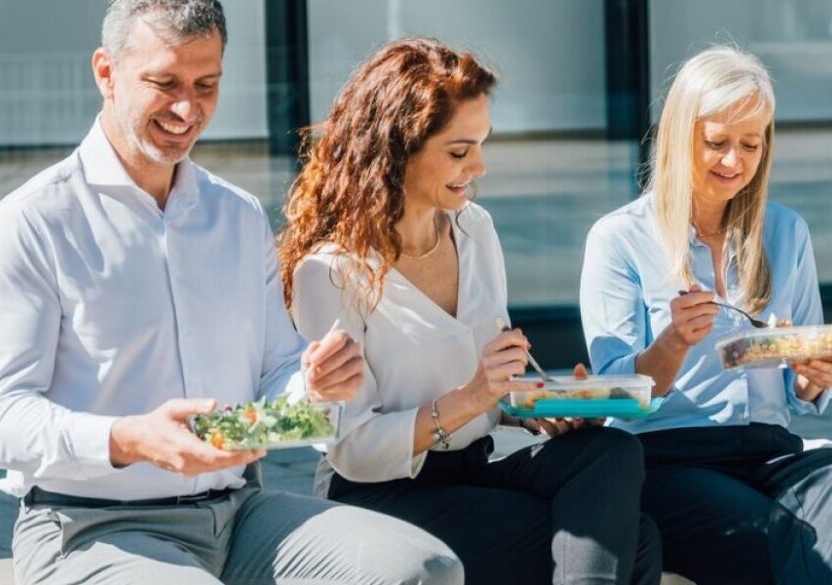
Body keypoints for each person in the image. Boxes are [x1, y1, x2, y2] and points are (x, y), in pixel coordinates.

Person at [0, 2, 462, 584]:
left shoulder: (238, 217)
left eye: (206, 85)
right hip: (88, 527)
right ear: (106, 72)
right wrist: (129, 438)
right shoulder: (31, 224)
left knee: (423, 568)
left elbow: (277, 382)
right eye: (164, 83)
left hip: (239, 513)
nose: (186, 108)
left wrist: (313, 390)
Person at [277, 37, 662, 585]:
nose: (478, 167)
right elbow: (354, 450)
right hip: (382, 495)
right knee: (635, 541)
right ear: (397, 150)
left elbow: (493, 386)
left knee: (609, 453)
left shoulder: (474, 230)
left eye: (481, 145)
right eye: (459, 152)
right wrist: (472, 397)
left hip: (473, 467)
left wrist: (538, 405)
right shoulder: (332, 273)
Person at [579, 45, 832, 584]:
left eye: (750, 145)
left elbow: (803, 388)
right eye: (717, 143)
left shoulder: (786, 232)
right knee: (778, 536)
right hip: (670, 459)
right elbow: (615, 397)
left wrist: (813, 376)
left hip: (769, 451)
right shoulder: (620, 239)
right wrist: (673, 343)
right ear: (681, 137)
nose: (734, 162)